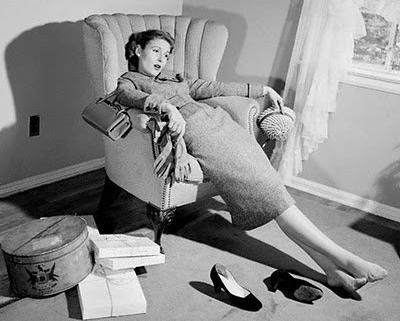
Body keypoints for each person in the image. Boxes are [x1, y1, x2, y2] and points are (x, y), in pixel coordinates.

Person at [115, 29, 387, 298]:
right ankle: (345, 259)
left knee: (275, 194)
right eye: (156, 51)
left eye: (166, 53)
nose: (162, 58)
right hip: (205, 138)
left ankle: (331, 268)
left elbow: (215, 87)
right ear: (138, 50)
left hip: (226, 129)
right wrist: (166, 107)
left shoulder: (177, 80)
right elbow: (127, 98)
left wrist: (262, 89)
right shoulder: (130, 82)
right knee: (275, 198)